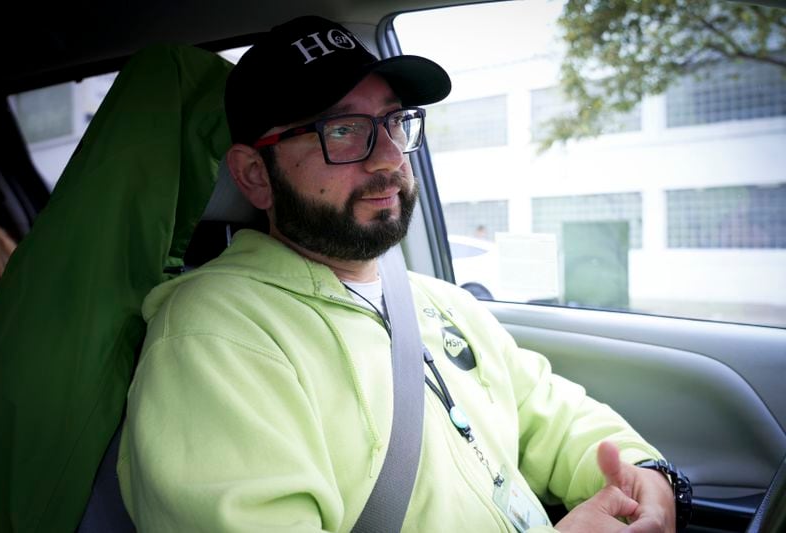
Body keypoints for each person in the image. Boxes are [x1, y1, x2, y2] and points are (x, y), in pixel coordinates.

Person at [118, 15, 687, 532]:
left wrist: (645, 477)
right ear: (254, 175)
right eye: (340, 130)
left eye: (393, 121)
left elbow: (550, 415)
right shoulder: (214, 338)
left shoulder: (439, 302)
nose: (388, 156)